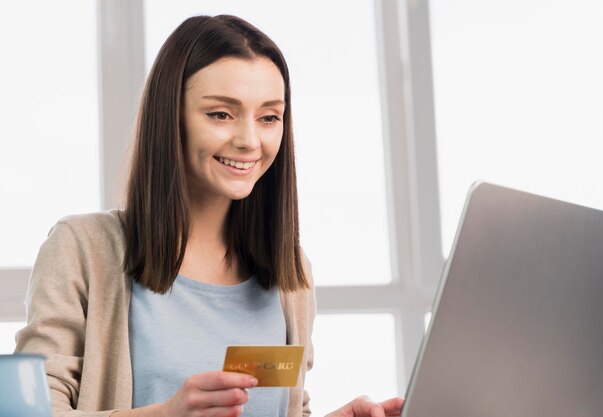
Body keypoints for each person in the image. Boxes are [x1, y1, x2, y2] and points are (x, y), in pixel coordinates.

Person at [15, 14, 403, 417]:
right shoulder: (83, 250)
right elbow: (28, 412)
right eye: (221, 114)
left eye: (269, 117)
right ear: (170, 117)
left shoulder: (292, 277)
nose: (249, 140)